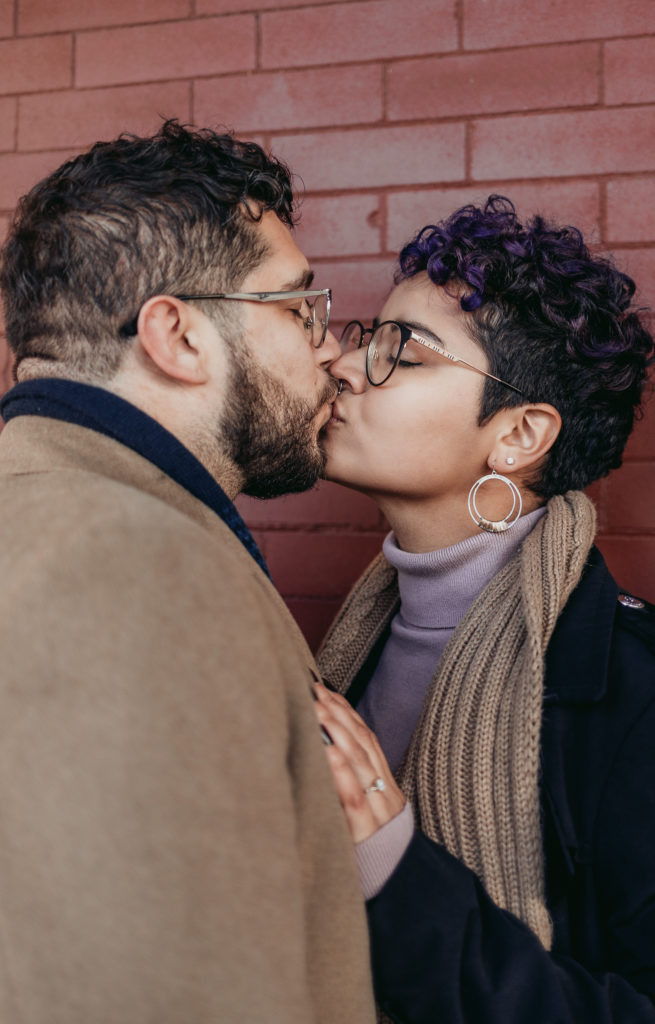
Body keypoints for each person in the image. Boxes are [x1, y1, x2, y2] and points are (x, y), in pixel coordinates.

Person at [0, 121, 375, 1023]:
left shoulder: (49, 509)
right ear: (177, 335)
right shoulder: (131, 564)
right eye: (298, 310)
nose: (329, 349)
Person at [313, 196, 655, 1023]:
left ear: (518, 434)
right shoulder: (350, 642)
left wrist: (394, 875)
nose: (348, 367)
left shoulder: (631, 692)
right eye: (369, 336)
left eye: (406, 354)